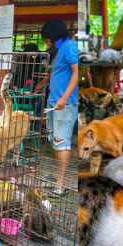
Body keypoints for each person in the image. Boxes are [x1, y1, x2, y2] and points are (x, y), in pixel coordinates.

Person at [37, 19, 78, 198]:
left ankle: (61, 184)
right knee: (55, 138)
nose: (46, 42)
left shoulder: (70, 47)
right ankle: (57, 175)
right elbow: (59, 72)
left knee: (62, 141)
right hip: (54, 102)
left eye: (46, 38)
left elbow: (78, 72)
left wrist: (64, 97)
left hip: (65, 103)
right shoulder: (61, 49)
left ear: (52, 37)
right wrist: (42, 83)